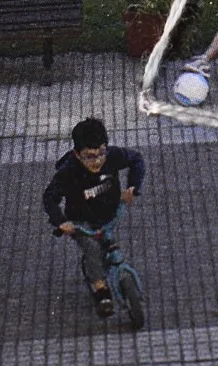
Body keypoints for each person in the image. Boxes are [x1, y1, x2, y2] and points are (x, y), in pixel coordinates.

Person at [42, 115, 144, 318]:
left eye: (101, 153)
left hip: (108, 213)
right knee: (91, 249)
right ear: (77, 155)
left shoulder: (113, 156)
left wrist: (133, 186)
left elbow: (136, 160)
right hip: (81, 221)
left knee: (105, 241)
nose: (97, 161)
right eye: (90, 156)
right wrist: (61, 222)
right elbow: (50, 198)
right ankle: (101, 291)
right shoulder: (68, 172)